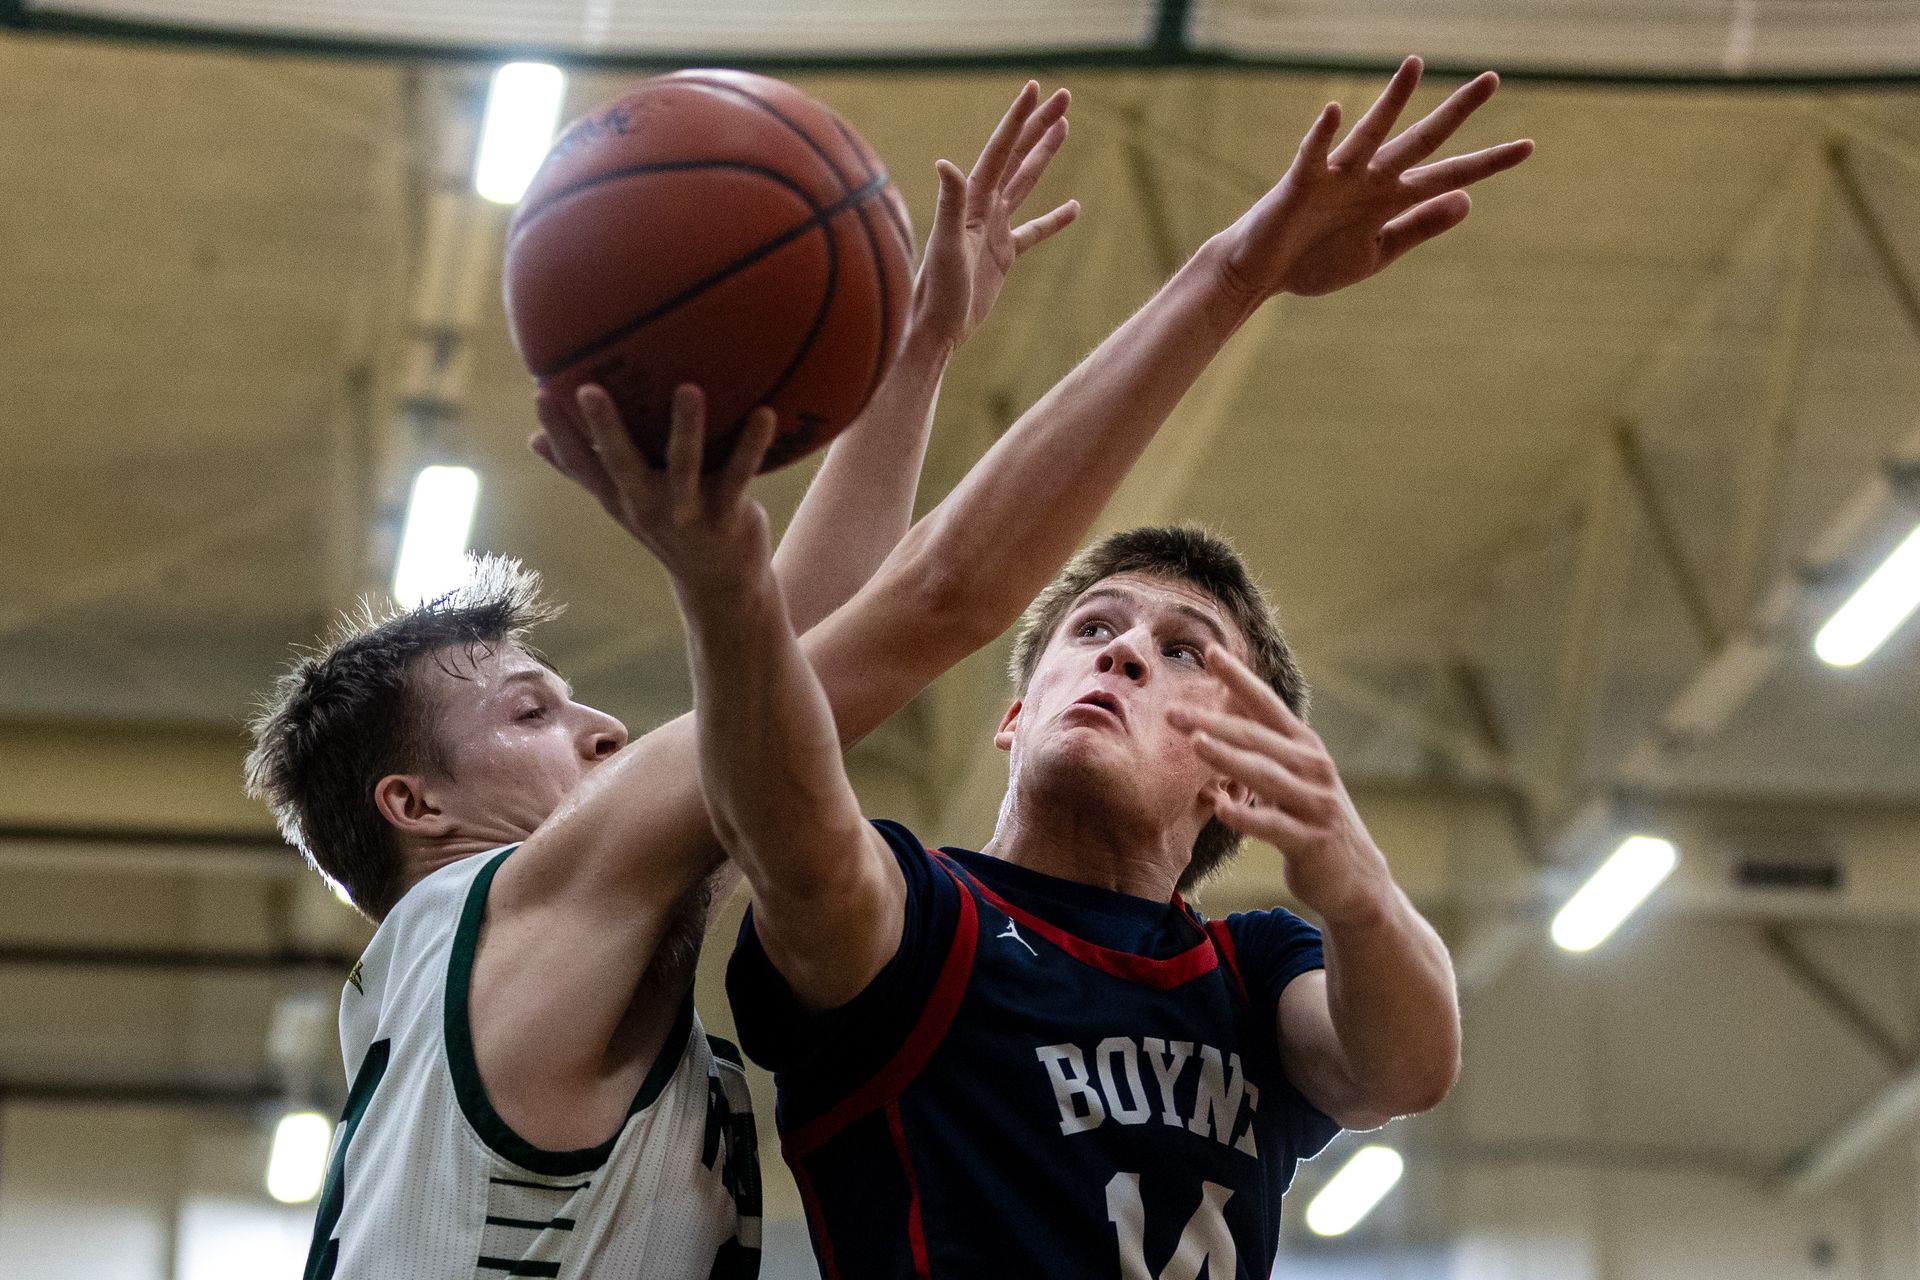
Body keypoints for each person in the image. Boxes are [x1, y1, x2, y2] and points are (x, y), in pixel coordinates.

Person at [613, 58, 1529, 1278]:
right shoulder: (925, 916)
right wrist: (733, 590)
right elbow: (787, 807)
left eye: (1181, 651)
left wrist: (1352, 879)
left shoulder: (1249, 975)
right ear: (1012, 715)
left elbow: (1406, 1066)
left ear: (1231, 772)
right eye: (1092, 629)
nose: (1124, 652)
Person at [245, 82, 1077, 1280]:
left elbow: (791, 658)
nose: (606, 728)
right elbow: (906, 616)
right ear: (415, 804)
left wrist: (918, 347)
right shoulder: (491, 923)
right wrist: (1225, 280)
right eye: (531, 710)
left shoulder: (532, 967)